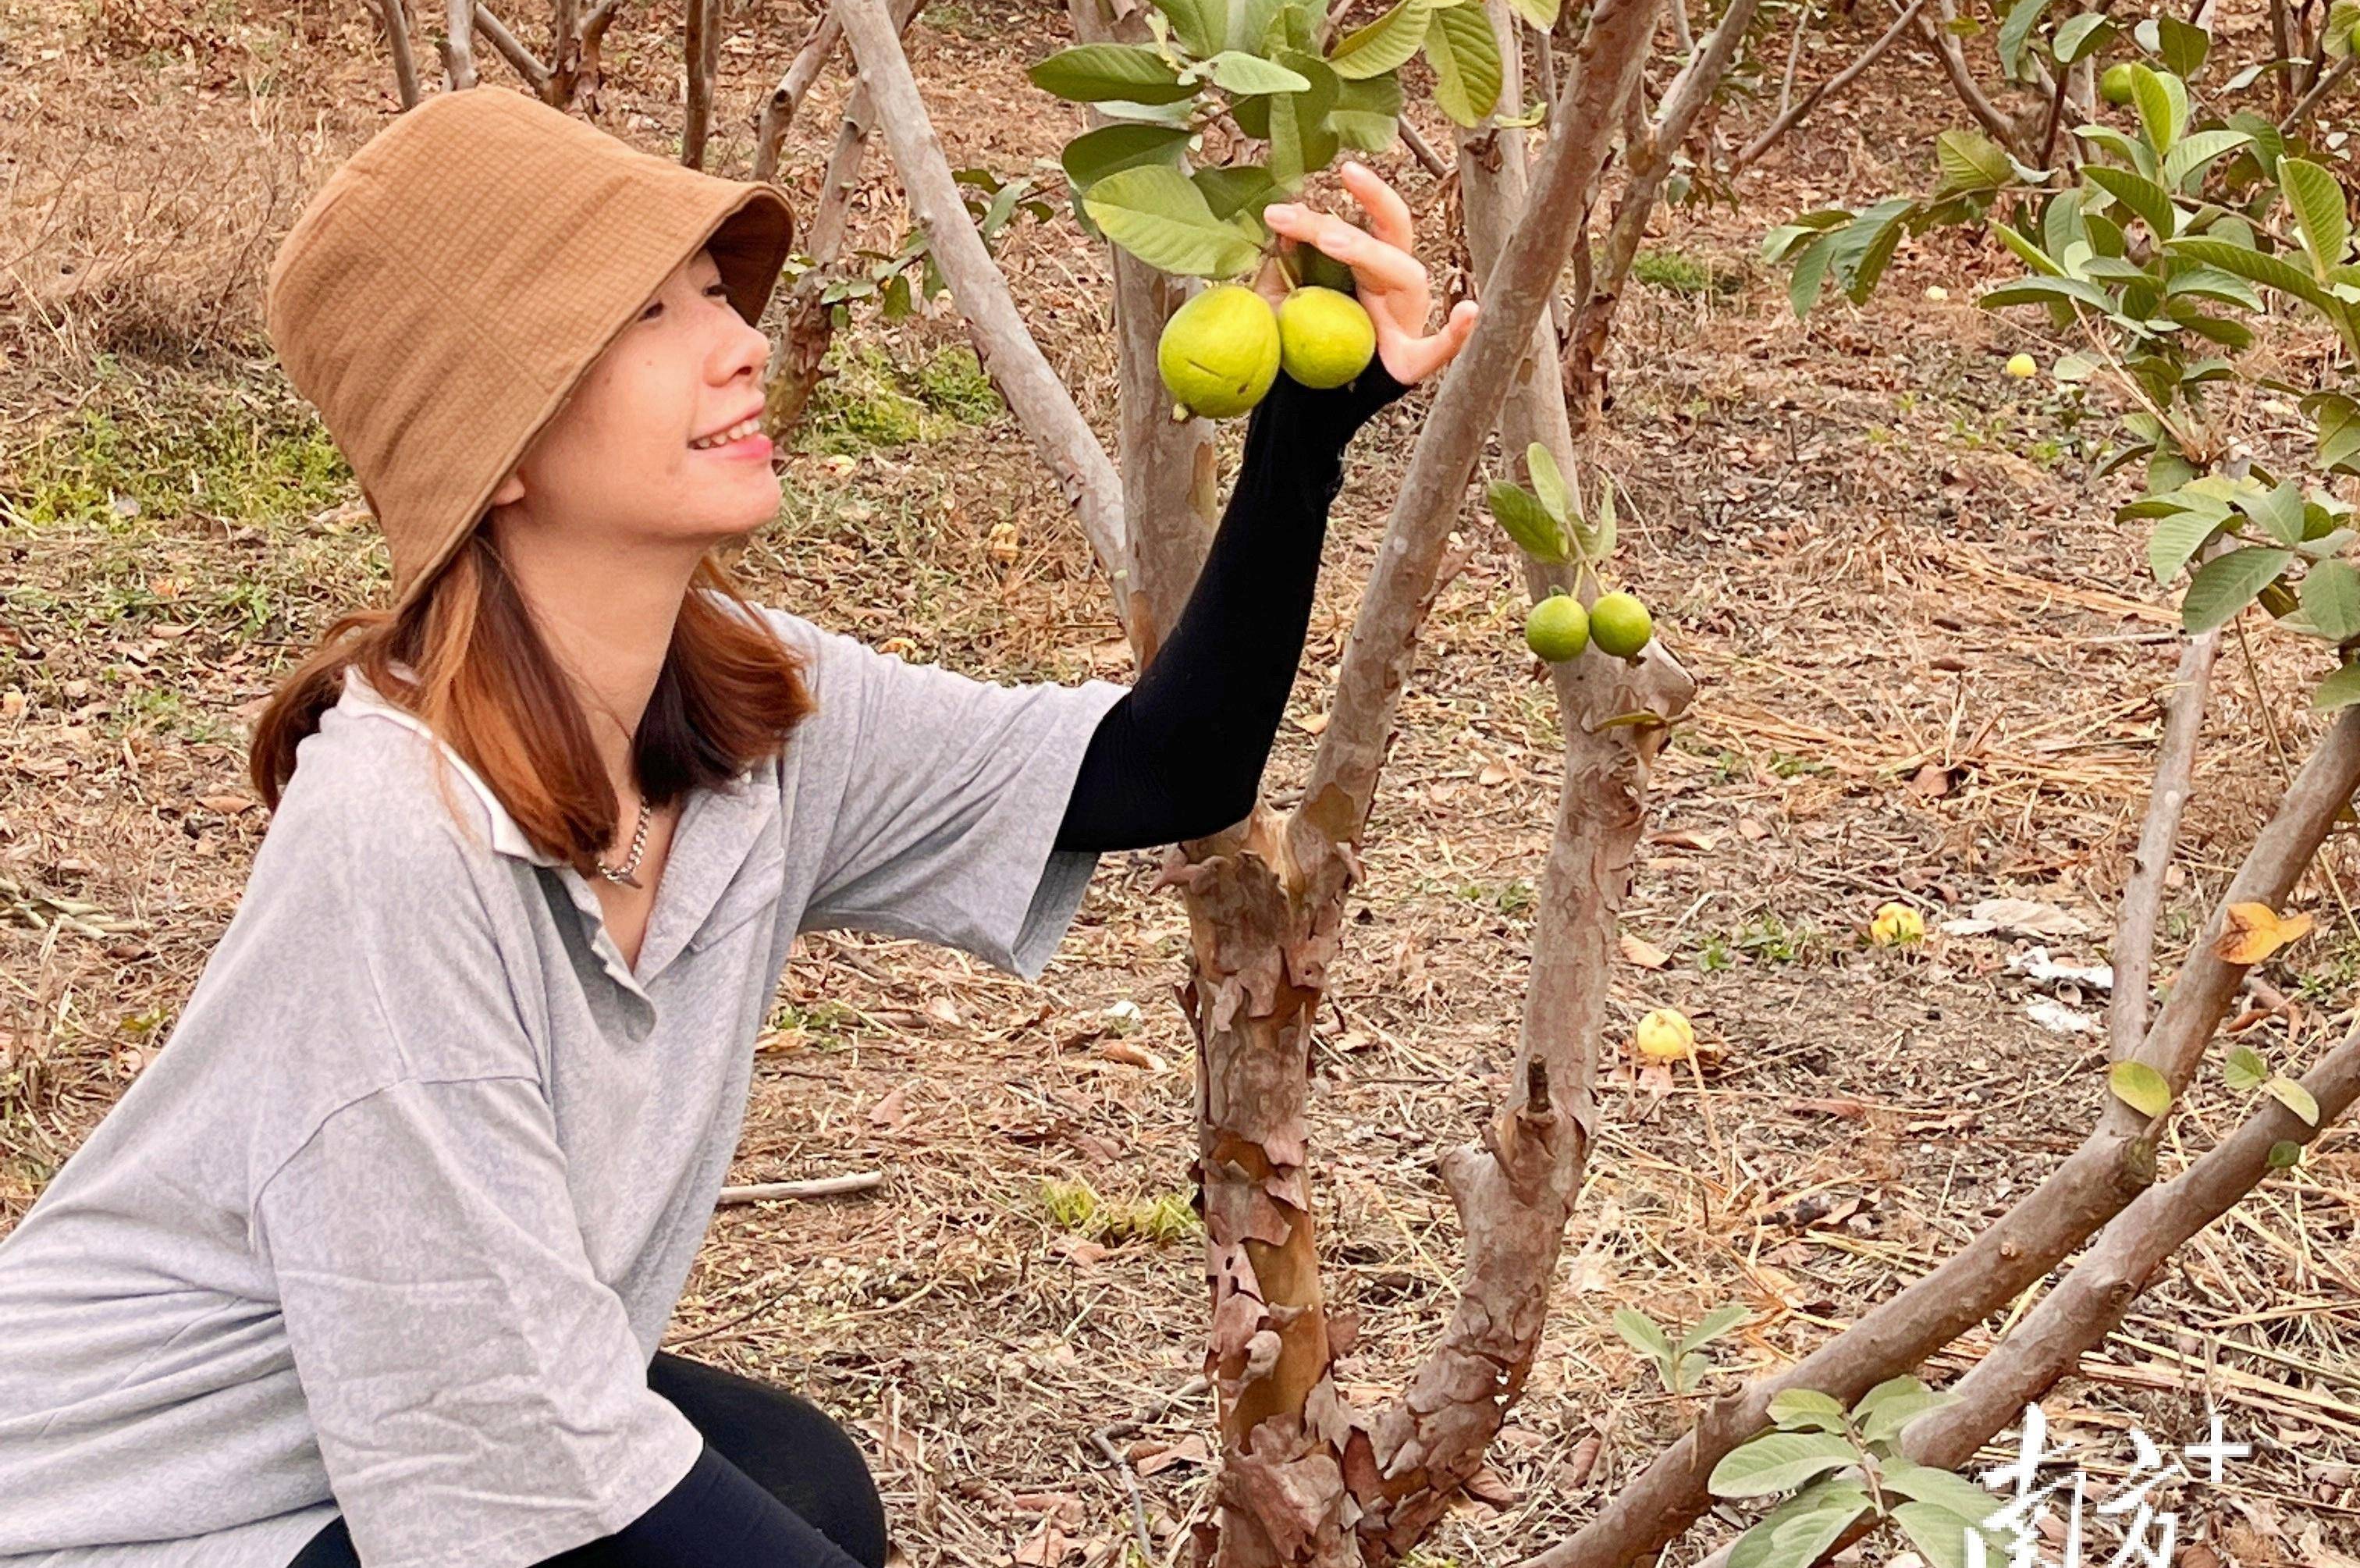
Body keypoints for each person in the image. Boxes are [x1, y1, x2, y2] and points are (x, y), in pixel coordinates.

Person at [0, 88, 1474, 1568]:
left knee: (801, 1483)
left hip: (363, 1419)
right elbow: (515, 1457)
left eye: (715, 290)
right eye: (649, 316)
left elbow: (1170, 768)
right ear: (493, 448)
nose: (743, 341)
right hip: (133, 1506)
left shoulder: (748, 707)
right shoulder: (401, 835)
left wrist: (1309, 424)